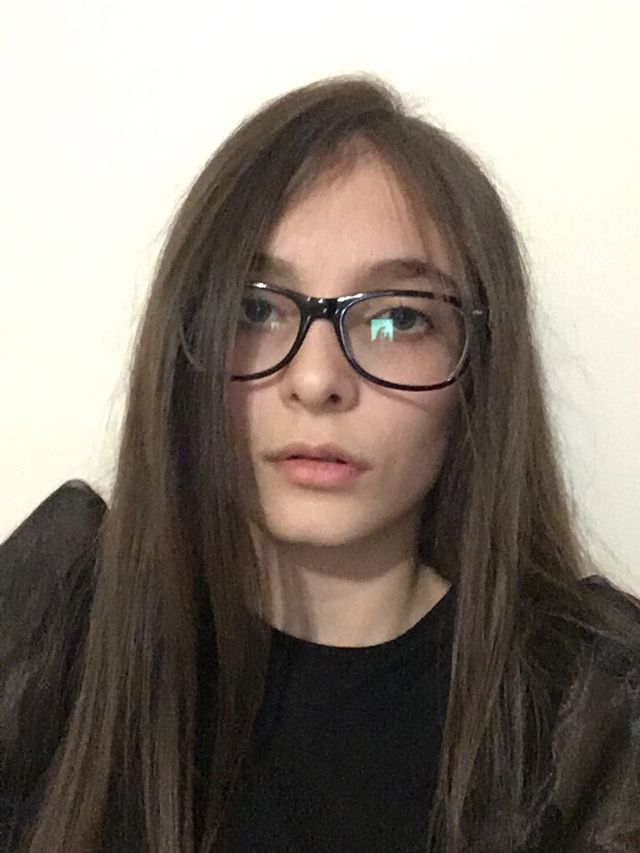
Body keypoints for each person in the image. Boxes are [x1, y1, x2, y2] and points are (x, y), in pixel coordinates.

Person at [2, 73, 640, 853]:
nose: (315, 380)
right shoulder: (50, 630)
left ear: (478, 368)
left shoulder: (596, 716)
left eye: (397, 318)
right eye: (257, 309)